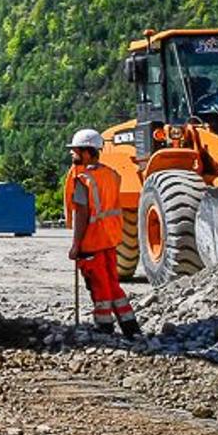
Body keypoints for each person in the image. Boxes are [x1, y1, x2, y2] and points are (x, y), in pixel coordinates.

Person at [65, 128, 141, 338]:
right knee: (113, 284)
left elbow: (82, 213)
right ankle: (130, 327)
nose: (72, 154)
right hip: (110, 239)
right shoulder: (111, 175)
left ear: (87, 152)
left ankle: (104, 327)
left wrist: (75, 245)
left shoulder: (83, 180)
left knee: (99, 286)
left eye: (76, 150)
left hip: (92, 241)